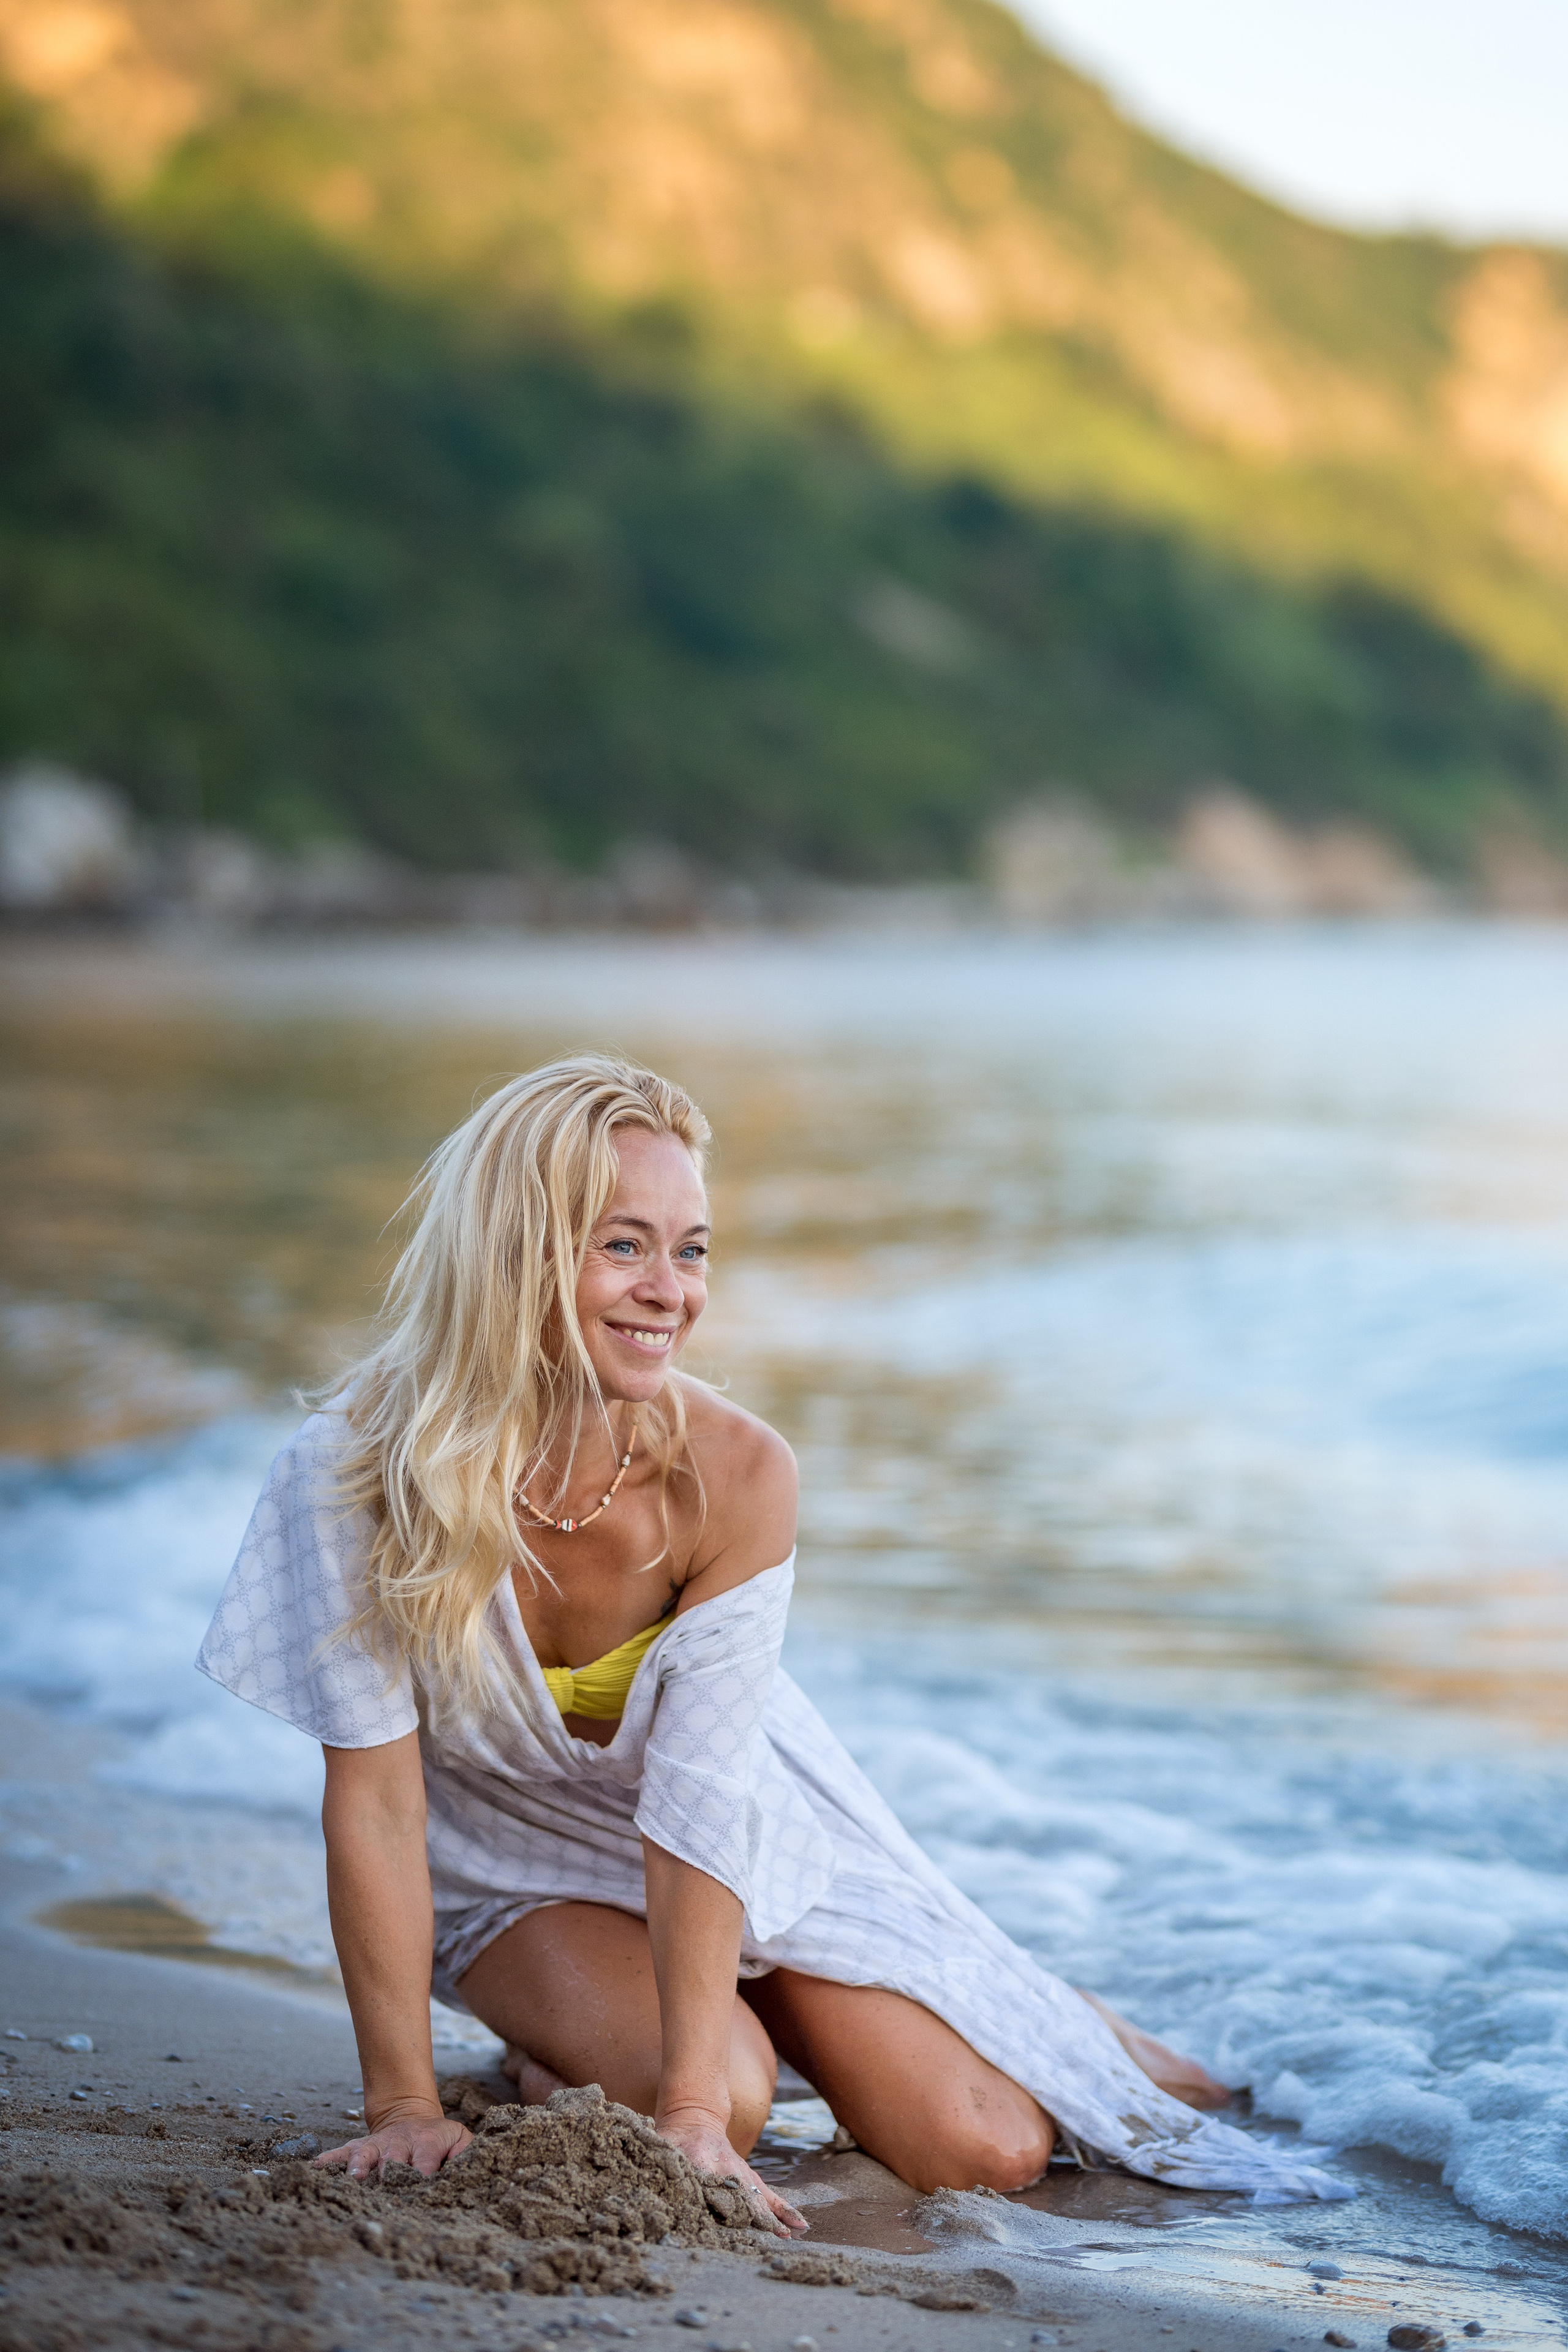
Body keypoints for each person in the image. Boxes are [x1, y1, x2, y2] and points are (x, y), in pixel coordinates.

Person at [198, 1055, 1348, 2229]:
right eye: (623, 1244)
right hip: (509, 1865)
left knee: (985, 2145)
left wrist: (685, 2110)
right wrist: (404, 2102)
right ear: (514, 1249)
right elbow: (380, 1805)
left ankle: (1030, 2002)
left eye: (691, 1249)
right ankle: (628, 2042)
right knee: (734, 2101)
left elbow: (703, 1800)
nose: (670, 1291)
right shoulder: (353, 1472)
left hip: (745, 1836)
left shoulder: (736, 1474)